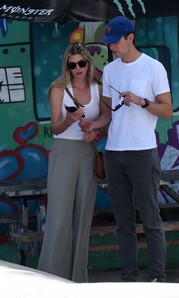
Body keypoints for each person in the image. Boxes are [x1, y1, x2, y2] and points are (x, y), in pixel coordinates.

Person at [79, 16, 173, 282]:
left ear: (130, 37)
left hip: (143, 152)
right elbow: (109, 114)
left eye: (115, 42)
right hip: (114, 153)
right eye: (108, 43)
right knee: (123, 222)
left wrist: (142, 101)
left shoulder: (153, 68)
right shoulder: (110, 70)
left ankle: (158, 278)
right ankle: (129, 279)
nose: (111, 48)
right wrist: (93, 126)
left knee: (151, 219)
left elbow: (167, 110)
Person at [38, 42, 105, 283]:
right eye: (72, 64)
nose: (77, 68)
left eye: (81, 63)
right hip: (64, 151)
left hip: (88, 152)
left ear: (89, 63)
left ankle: (77, 279)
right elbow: (55, 126)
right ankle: (50, 278)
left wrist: (95, 130)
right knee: (59, 217)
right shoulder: (58, 89)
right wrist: (70, 120)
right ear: (67, 65)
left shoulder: (98, 88)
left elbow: (107, 119)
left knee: (82, 218)